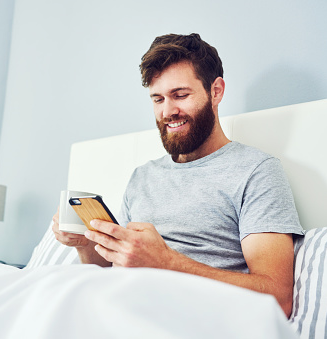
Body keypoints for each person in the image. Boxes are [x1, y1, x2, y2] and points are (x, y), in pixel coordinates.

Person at [52, 33, 304, 317]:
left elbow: (277, 299)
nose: (168, 111)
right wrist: (86, 246)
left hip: (179, 318)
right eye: (158, 99)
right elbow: (110, 270)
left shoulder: (256, 171)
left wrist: (167, 262)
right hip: (114, 306)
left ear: (216, 91)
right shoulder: (142, 176)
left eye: (180, 95)